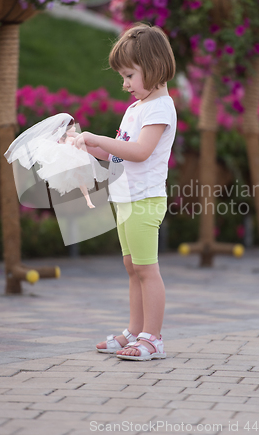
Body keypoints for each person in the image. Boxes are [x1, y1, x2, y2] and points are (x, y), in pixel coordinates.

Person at [74, 22, 177, 360]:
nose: (125, 84)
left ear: (153, 67)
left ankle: (153, 338)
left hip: (145, 200)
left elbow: (141, 151)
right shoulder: (137, 108)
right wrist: (87, 146)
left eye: (130, 75)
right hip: (125, 199)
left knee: (147, 269)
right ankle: (135, 331)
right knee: (134, 268)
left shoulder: (159, 108)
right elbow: (119, 151)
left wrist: (98, 138)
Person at [4, 113, 108, 208]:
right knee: (79, 179)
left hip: (76, 160)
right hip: (71, 162)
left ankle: (88, 200)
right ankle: (88, 200)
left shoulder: (72, 137)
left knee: (81, 180)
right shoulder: (64, 140)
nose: (75, 128)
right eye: (72, 127)